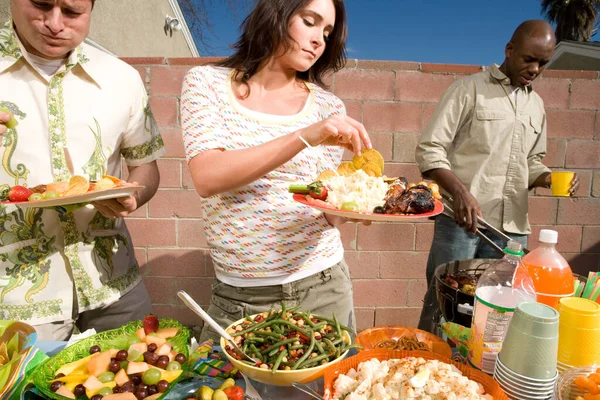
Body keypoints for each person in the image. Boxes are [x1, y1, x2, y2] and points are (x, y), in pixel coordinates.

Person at [181, 0, 371, 341]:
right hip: (240, 299)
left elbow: (326, 209)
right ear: (276, 13)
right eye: (310, 22)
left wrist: (354, 204)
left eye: (327, 32)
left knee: (327, 394)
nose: (318, 40)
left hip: (323, 289)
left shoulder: (328, 107)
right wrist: (304, 136)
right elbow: (208, 177)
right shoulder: (206, 84)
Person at [0, 0, 164, 340]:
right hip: (13, 296)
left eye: (73, 12)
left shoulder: (122, 78)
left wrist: (134, 196)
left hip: (116, 286)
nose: (55, 23)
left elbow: (145, 167)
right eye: (42, 5)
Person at [415, 20, 579, 331]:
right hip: (462, 222)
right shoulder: (469, 89)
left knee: (501, 311)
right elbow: (429, 150)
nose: (535, 69)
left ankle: (479, 376)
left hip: (511, 232)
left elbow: (531, 163)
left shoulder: (536, 106)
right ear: (509, 50)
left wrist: (548, 179)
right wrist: (461, 192)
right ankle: (425, 362)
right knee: (445, 302)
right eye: (528, 59)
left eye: (543, 63)